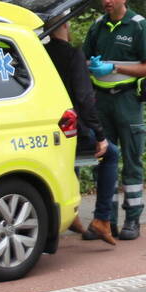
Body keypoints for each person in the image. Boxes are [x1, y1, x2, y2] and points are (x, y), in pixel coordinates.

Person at [82, 0, 146, 241]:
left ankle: (133, 220)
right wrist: (91, 66)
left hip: (127, 101)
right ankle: (106, 220)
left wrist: (114, 69)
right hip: (100, 101)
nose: (107, 0)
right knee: (103, 159)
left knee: (131, 161)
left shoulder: (138, 25)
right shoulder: (97, 26)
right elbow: (84, 59)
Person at [46, 20, 118, 245]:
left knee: (70, 162)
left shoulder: (40, 52)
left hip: (44, 127)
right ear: (66, 25)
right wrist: (100, 135)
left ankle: (73, 215)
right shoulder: (72, 54)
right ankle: (102, 219)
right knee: (111, 154)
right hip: (69, 127)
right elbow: (84, 99)